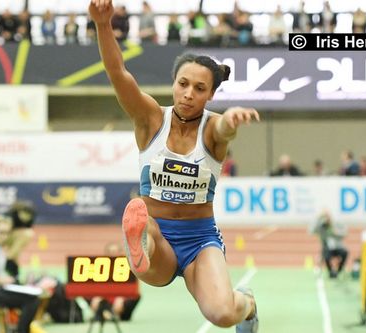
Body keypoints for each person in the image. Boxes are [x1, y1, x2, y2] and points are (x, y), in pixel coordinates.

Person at [89, 1, 260, 331]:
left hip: (200, 240)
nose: (188, 94)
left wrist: (232, 120)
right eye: (183, 84)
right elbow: (117, 73)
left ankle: (248, 304)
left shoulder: (213, 128)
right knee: (144, 224)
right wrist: (102, 25)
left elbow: (224, 129)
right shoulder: (151, 118)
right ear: (174, 83)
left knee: (222, 315)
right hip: (160, 238)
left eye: (199, 89)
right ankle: (140, 240)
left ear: (210, 94)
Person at [4, 200, 37, 282]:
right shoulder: (11, 217)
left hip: (15, 237)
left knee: (15, 256)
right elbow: (4, 231)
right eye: (23, 215)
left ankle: (15, 276)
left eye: (27, 216)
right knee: (12, 255)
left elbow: (27, 230)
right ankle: (7, 261)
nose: (25, 218)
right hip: (5, 235)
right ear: (19, 212)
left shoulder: (31, 217)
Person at [311, 210, 348, 278]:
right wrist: (318, 218)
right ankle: (330, 271)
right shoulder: (322, 226)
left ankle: (339, 269)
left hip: (338, 247)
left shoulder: (336, 224)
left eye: (328, 218)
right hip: (327, 248)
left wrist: (335, 232)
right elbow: (312, 231)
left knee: (345, 252)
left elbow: (344, 234)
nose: (327, 220)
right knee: (325, 254)